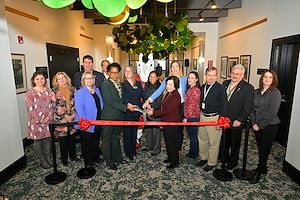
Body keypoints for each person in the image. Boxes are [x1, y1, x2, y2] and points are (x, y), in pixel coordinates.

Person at [143, 61, 187, 154]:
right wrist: (148, 100)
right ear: (171, 69)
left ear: (180, 68)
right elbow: (159, 91)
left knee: (179, 130)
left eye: (176, 66)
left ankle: (177, 149)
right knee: (169, 130)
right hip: (170, 107)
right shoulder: (167, 79)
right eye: (173, 67)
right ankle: (172, 151)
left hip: (181, 106)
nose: (175, 68)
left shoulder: (184, 79)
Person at [249, 70, 281, 184]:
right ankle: (263, 168)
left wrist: (260, 125)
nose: (267, 79)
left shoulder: (275, 93)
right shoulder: (256, 92)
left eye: (270, 77)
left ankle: (259, 172)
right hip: (256, 124)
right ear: (262, 79)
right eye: (265, 77)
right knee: (260, 147)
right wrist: (253, 123)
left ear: (273, 80)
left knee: (264, 149)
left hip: (270, 125)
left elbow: (272, 112)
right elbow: (251, 109)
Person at [101, 63, 135, 170]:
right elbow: (110, 101)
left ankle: (118, 158)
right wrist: (125, 107)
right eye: (113, 72)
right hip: (109, 116)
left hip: (118, 116)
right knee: (107, 139)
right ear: (108, 72)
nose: (115, 75)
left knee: (115, 137)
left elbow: (121, 98)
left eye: (117, 72)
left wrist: (127, 104)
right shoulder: (105, 84)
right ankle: (109, 161)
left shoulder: (118, 83)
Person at [221, 64, 254, 170]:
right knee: (224, 140)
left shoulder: (248, 88)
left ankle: (233, 161)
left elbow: (248, 107)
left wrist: (240, 120)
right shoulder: (225, 83)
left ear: (242, 75)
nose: (235, 76)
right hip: (224, 119)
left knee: (235, 143)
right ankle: (224, 157)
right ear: (230, 73)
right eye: (233, 73)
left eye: (238, 74)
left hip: (236, 121)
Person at [147, 76, 181, 169]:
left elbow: (167, 110)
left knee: (172, 143)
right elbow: (164, 108)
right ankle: (170, 158)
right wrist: (154, 110)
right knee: (167, 141)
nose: (168, 86)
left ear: (175, 85)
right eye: (167, 84)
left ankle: (175, 162)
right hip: (166, 122)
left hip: (172, 123)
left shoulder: (176, 96)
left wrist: (153, 113)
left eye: (171, 84)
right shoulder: (168, 93)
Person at [197, 67, 227, 172]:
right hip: (203, 115)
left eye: (214, 75)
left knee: (213, 142)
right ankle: (204, 158)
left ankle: (211, 162)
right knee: (202, 138)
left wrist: (220, 121)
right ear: (205, 76)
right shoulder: (203, 86)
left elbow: (224, 105)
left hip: (214, 117)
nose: (212, 78)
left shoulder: (220, 88)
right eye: (209, 75)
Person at [74, 72, 104, 167]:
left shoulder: (97, 90)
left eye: (91, 78)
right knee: (87, 142)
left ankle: (95, 157)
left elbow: (100, 104)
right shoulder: (80, 92)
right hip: (86, 121)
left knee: (96, 140)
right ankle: (89, 160)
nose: (89, 80)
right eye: (86, 78)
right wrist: (85, 122)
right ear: (83, 80)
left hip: (97, 120)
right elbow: (79, 109)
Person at [25, 71, 53, 169]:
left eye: (42, 78)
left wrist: (48, 117)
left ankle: (48, 157)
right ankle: (42, 160)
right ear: (34, 80)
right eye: (37, 79)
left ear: (45, 80)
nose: (40, 81)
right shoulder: (30, 93)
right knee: (37, 142)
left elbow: (52, 106)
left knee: (47, 140)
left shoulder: (49, 91)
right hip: (35, 121)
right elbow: (30, 108)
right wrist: (39, 120)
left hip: (47, 120)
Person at [51, 72, 78, 166]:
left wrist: (72, 115)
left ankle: (73, 156)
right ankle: (64, 159)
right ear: (56, 81)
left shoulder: (73, 89)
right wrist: (65, 117)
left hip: (72, 118)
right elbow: (54, 106)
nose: (62, 80)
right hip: (60, 119)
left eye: (63, 78)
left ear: (67, 79)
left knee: (71, 139)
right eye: (59, 79)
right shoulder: (53, 91)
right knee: (63, 141)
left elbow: (76, 103)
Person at [121, 65, 146, 160]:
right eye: (126, 71)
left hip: (137, 112)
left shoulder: (138, 83)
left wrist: (147, 102)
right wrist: (128, 105)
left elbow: (143, 95)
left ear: (133, 72)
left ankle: (133, 151)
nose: (128, 73)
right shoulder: (122, 84)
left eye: (129, 71)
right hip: (127, 112)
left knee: (134, 132)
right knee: (127, 133)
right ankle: (129, 153)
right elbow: (122, 98)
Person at [143, 71, 162, 156]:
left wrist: (152, 108)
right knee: (148, 131)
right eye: (150, 76)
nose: (152, 78)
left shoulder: (159, 87)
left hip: (155, 112)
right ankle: (149, 146)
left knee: (156, 132)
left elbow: (159, 101)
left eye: (154, 77)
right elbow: (144, 97)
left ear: (157, 78)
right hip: (146, 111)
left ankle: (156, 149)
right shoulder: (147, 86)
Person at [183, 71, 201, 159]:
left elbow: (192, 106)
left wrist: (186, 118)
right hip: (191, 116)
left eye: (192, 78)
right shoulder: (190, 88)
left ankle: (193, 154)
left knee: (193, 136)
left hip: (193, 117)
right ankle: (193, 151)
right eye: (189, 78)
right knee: (192, 135)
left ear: (196, 79)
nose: (190, 80)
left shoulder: (195, 90)